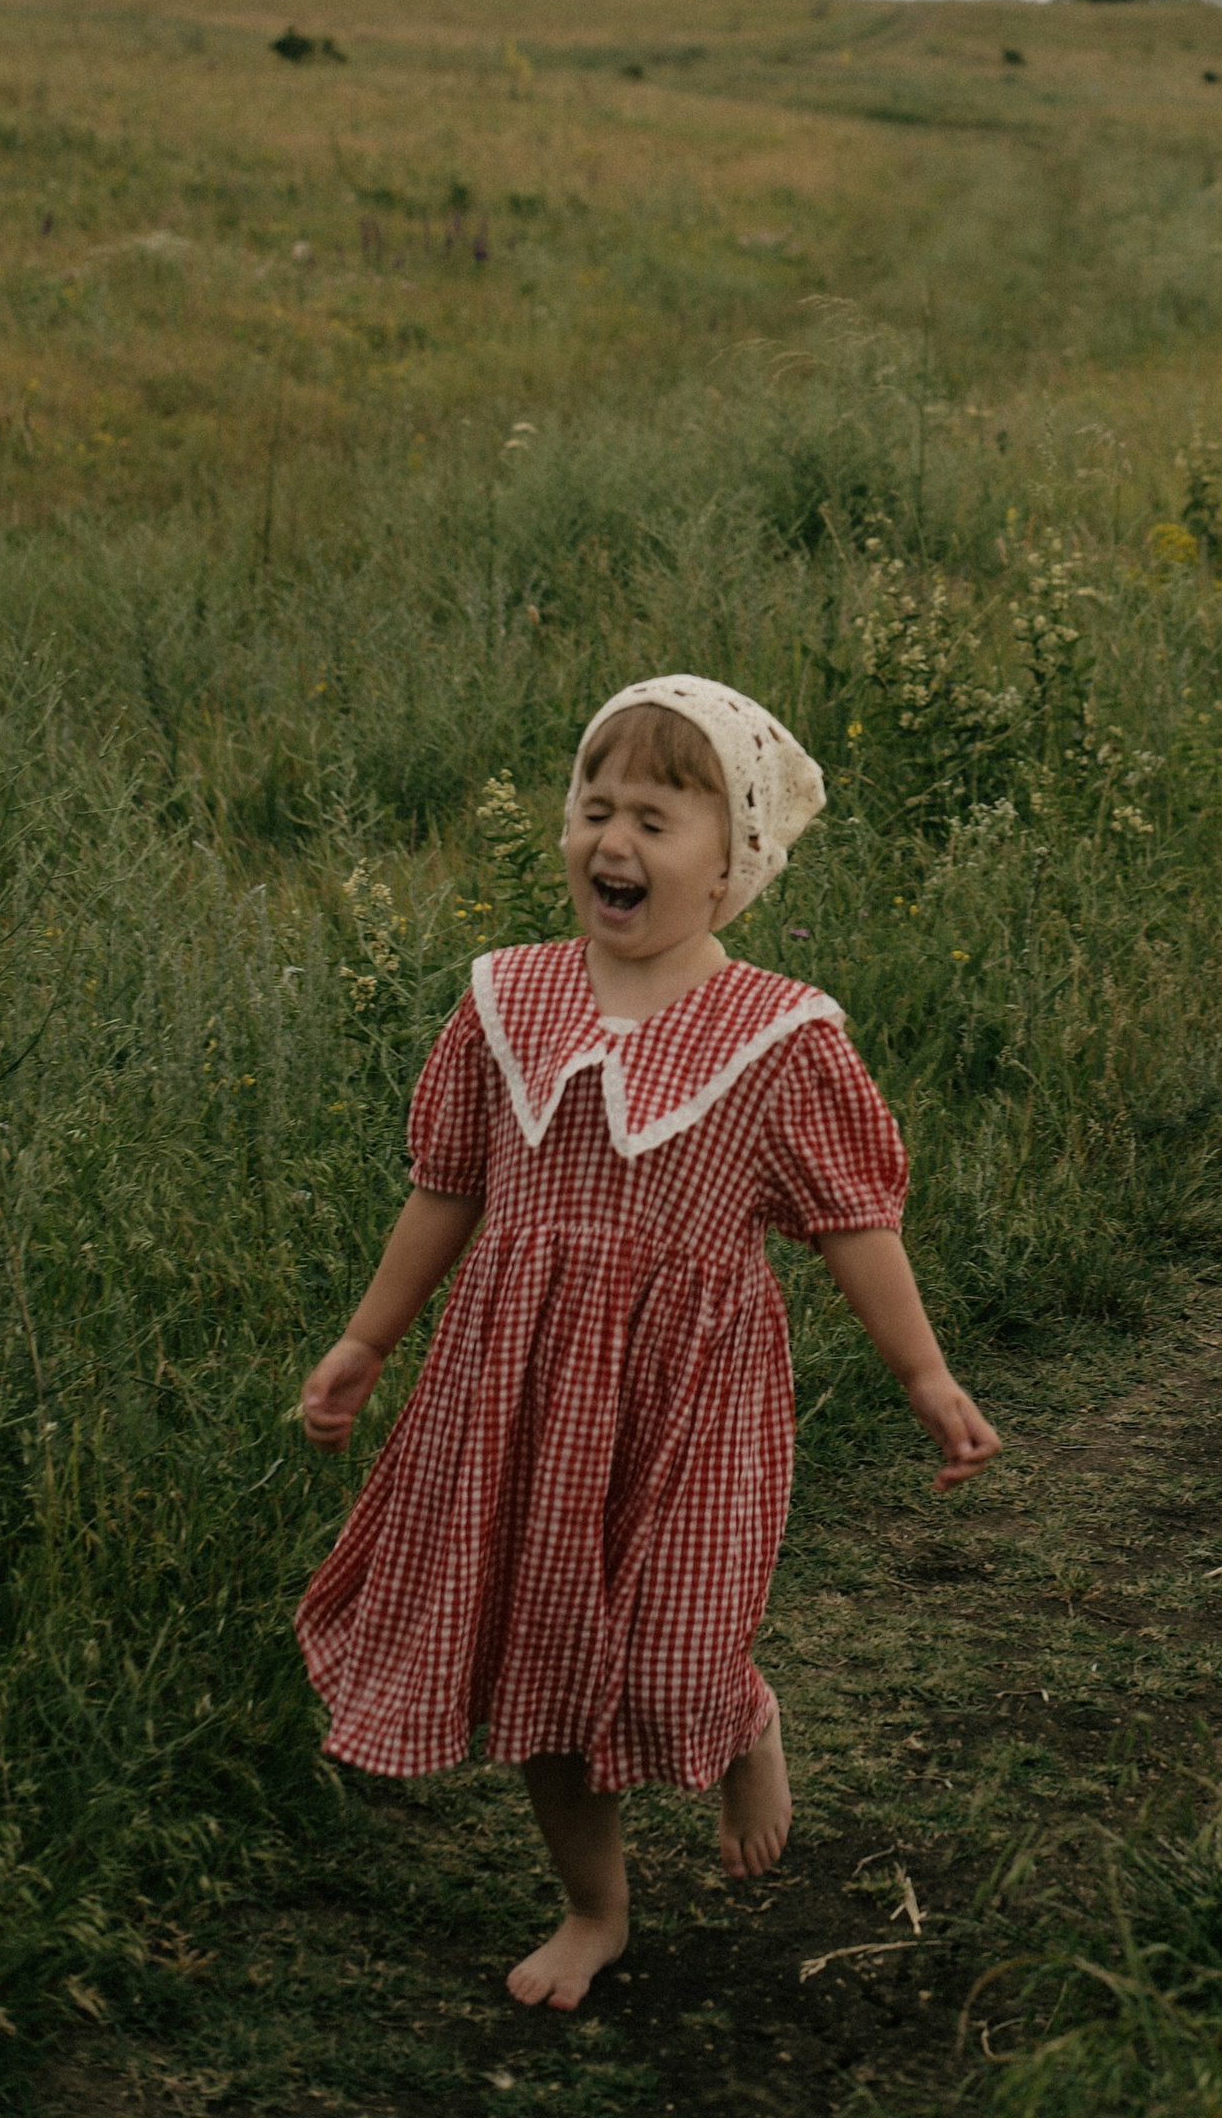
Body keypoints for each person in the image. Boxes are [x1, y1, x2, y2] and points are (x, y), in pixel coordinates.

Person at [294, 673, 1000, 2009]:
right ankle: (594, 1907)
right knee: (544, 1659)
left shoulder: (778, 1039)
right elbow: (449, 1187)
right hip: (514, 1392)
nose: (610, 842)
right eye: (593, 806)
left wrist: (926, 1377)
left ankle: (741, 1717)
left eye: (655, 819)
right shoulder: (510, 1001)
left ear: (733, 867)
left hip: (689, 1401)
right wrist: (365, 1341)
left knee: (673, 1652)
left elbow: (856, 1222)